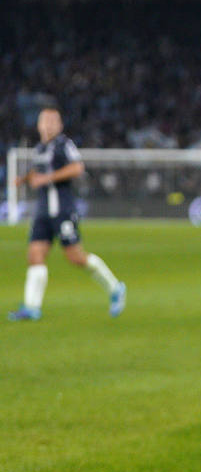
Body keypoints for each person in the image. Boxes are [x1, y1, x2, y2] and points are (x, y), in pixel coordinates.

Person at [8, 107, 126, 321]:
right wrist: (24, 180)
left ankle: (115, 287)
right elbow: (38, 172)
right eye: (46, 121)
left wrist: (47, 178)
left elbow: (77, 168)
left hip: (62, 210)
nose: (49, 125)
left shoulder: (64, 145)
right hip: (43, 211)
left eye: (54, 121)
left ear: (60, 125)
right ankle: (32, 308)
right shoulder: (40, 149)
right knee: (35, 254)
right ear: (39, 124)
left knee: (75, 257)